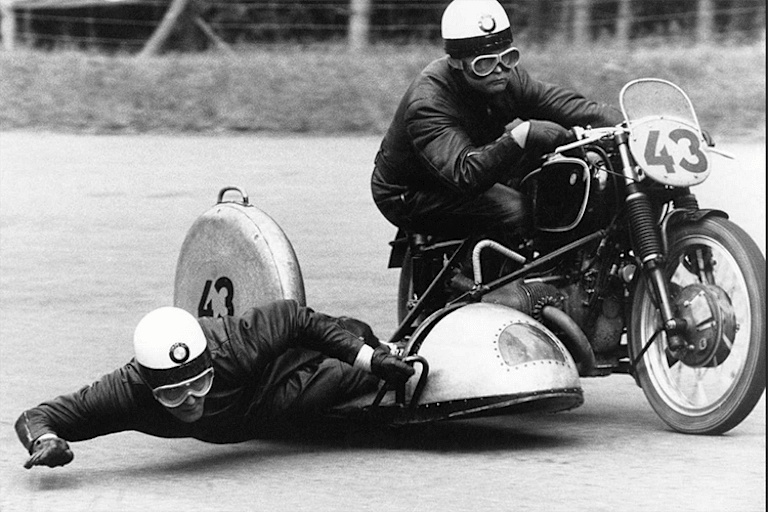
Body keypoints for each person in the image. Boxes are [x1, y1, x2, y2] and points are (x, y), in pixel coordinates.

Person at [15, 299, 414, 469]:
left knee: (357, 351)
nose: (191, 400)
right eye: (173, 393)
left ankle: (383, 345)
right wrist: (44, 441)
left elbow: (297, 318)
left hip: (269, 391)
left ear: (210, 363)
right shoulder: (127, 391)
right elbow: (38, 416)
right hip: (236, 426)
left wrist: (368, 356)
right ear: (149, 388)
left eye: (200, 383)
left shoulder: (234, 344)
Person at [371, 0, 625, 239]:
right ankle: (505, 283)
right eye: (484, 64)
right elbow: (465, 175)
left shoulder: (508, 78)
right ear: (456, 63)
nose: (501, 70)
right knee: (517, 212)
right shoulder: (428, 103)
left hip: (473, 161)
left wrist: (628, 126)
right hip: (415, 191)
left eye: (508, 58)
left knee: (564, 176)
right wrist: (521, 136)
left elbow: (570, 106)